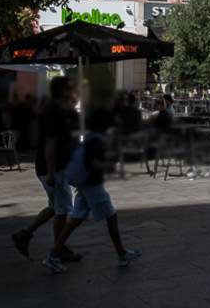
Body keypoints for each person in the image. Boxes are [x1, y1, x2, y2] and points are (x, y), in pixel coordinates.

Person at [43, 109, 141, 272]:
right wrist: (109, 166)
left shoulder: (90, 138)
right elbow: (94, 164)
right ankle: (122, 254)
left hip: (84, 184)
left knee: (75, 220)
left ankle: (53, 255)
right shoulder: (97, 140)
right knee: (111, 217)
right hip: (92, 185)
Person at [12, 78, 85, 266]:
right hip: (54, 169)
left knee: (55, 206)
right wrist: (52, 171)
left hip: (55, 167)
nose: (76, 91)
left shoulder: (58, 109)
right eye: (72, 88)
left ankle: (24, 234)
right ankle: (59, 250)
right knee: (63, 209)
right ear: (64, 91)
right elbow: (50, 142)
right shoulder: (55, 111)